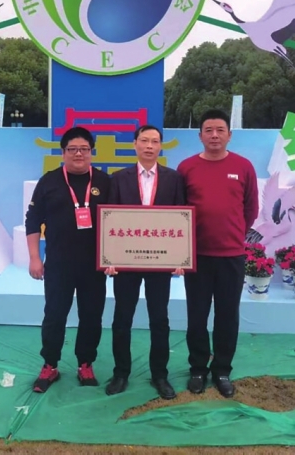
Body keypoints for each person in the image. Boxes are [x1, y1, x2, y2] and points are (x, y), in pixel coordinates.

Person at [176, 108, 258, 397]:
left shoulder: (243, 166)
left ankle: (222, 369)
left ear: (229, 135)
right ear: (200, 136)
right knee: (197, 315)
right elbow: (178, 210)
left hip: (231, 255)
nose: (214, 135)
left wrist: (233, 233)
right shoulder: (186, 168)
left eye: (220, 130)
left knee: (227, 315)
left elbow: (251, 209)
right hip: (196, 256)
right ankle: (198, 368)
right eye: (208, 130)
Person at [25, 126, 111, 393]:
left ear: (92, 152)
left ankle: (85, 363)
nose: (78, 154)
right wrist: (34, 258)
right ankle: (50, 365)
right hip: (59, 264)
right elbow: (32, 220)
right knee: (54, 315)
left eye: (84, 149)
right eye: (72, 149)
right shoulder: (49, 182)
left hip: (94, 265)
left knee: (92, 316)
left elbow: (118, 220)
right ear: (63, 153)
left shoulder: (105, 182)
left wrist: (114, 258)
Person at [104, 125, 186, 400]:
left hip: (159, 262)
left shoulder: (174, 179)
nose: (149, 146)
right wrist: (109, 257)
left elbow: (181, 218)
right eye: (144, 140)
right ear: (135, 144)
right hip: (126, 262)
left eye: (154, 141)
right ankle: (120, 373)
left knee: (159, 319)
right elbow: (110, 219)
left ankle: (160, 375)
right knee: (122, 318)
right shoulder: (118, 179)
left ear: (161, 146)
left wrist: (180, 257)